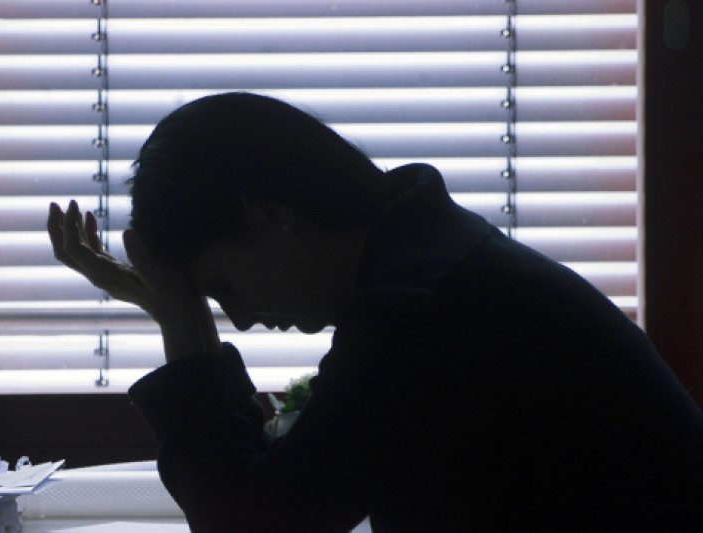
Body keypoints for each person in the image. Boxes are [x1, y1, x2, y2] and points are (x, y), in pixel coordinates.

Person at [47, 92, 703, 532]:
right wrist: (178, 311)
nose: (239, 320)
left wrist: (178, 321)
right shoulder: (434, 267)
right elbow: (283, 488)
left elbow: (253, 522)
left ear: (270, 215)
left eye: (223, 289)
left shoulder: (418, 315)